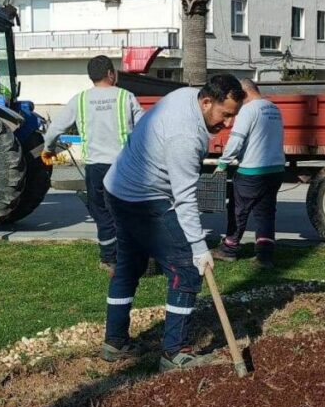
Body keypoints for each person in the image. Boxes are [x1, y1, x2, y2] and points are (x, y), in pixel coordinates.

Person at [101, 74, 244, 372]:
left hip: (117, 188)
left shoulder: (186, 96)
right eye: (225, 114)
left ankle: (115, 343)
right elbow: (185, 198)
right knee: (186, 268)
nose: (228, 124)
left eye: (233, 116)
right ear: (206, 102)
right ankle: (175, 352)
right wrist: (198, 248)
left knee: (129, 265)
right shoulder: (187, 136)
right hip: (142, 198)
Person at [42, 55, 144, 270]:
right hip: (123, 167)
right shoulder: (126, 97)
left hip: (96, 168)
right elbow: (146, 127)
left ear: (91, 77)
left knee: (102, 213)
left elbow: (54, 130)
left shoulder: (79, 100)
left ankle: (109, 259)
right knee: (126, 212)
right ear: (110, 74)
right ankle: (130, 256)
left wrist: (48, 149)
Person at [212, 80, 285, 268]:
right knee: (266, 213)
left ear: (244, 93)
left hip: (252, 170)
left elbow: (237, 138)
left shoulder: (248, 110)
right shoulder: (273, 108)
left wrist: (222, 163)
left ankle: (229, 249)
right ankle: (265, 255)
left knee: (238, 210)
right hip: (275, 168)